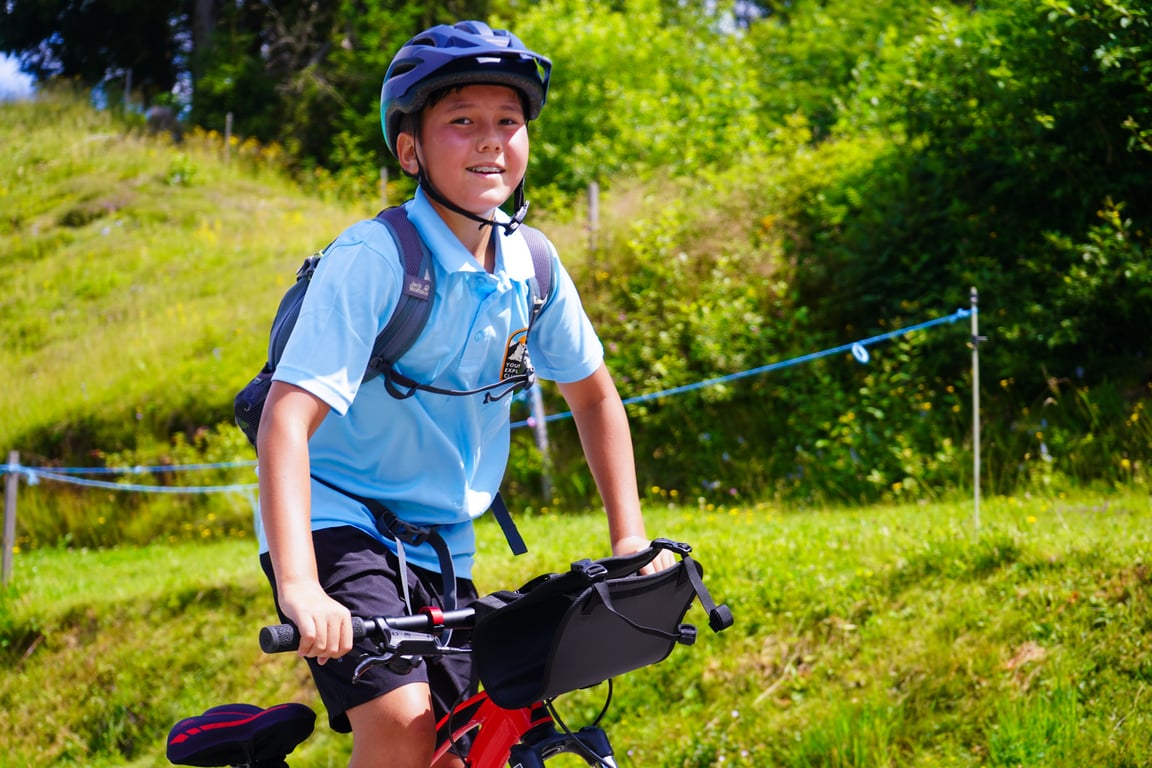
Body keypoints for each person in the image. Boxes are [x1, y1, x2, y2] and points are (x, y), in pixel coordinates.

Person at [255, 19, 674, 768]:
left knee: (459, 747)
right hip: (338, 519)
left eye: (508, 121)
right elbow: (286, 421)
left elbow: (594, 398)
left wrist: (629, 539)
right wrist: (301, 587)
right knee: (403, 724)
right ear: (409, 150)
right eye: (462, 122)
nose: (491, 141)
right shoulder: (376, 258)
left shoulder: (533, 266)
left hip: (444, 538)